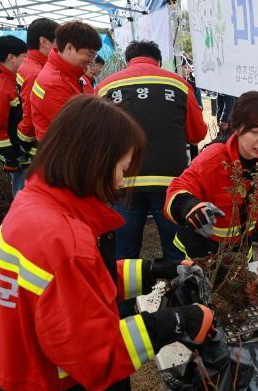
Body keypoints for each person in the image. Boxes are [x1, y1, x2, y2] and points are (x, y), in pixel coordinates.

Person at [0, 95, 214, 391]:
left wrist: (153, 271)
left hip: (13, 385)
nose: (121, 183)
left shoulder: (33, 206)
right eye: (121, 169)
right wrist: (171, 324)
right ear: (92, 161)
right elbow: (97, 357)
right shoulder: (64, 241)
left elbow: (78, 286)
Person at [97, 40, 207, 264]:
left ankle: (124, 299)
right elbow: (197, 134)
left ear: (128, 61)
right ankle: (180, 298)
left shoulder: (105, 87)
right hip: (171, 185)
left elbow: (94, 137)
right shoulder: (179, 84)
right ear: (157, 61)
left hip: (123, 183)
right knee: (177, 253)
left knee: (122, 257)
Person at [164, 90, 258, 260]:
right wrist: (190, 207)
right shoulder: (214, 158)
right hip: (199, 249)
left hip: (240, 250)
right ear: (238, 128)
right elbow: (176, 189)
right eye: (255, 132)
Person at [31, 20, 101, 142]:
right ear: (69, 47)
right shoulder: (53, 84)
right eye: (89, 55)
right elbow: (79, 129)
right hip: (62, 155)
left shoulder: (74, 75)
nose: (91, 61)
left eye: (93, 56)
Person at [0, 35, 28, 196]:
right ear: (11, 57)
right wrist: (11, 157)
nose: (26, 61)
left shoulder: (11, 79)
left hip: (22, 150)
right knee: (23, 197)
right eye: (24, 57)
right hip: (17, 155)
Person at [16, 18, 59, 159]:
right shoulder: (36, 73)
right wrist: (25, 142)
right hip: (35, 147)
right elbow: (30, 112)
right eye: (58, 41)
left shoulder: (29, 64)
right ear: (44, 42)